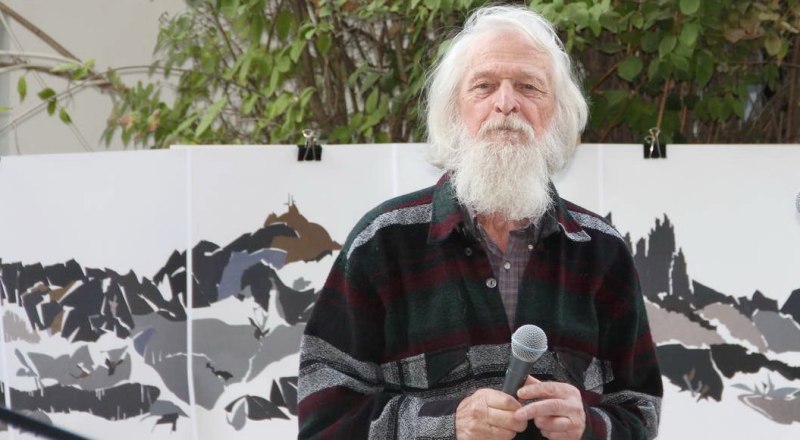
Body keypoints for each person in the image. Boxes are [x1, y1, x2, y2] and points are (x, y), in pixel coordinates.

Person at [297, 5, 662, 439]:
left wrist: (590, 424)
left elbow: (640, 410)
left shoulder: (601, 250)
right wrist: (446, 423)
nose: (506, 104)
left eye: (528, 87)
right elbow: (326, 419)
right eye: (484, 86)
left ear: (557, 114)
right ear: (455, 111)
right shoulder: (383, 242)